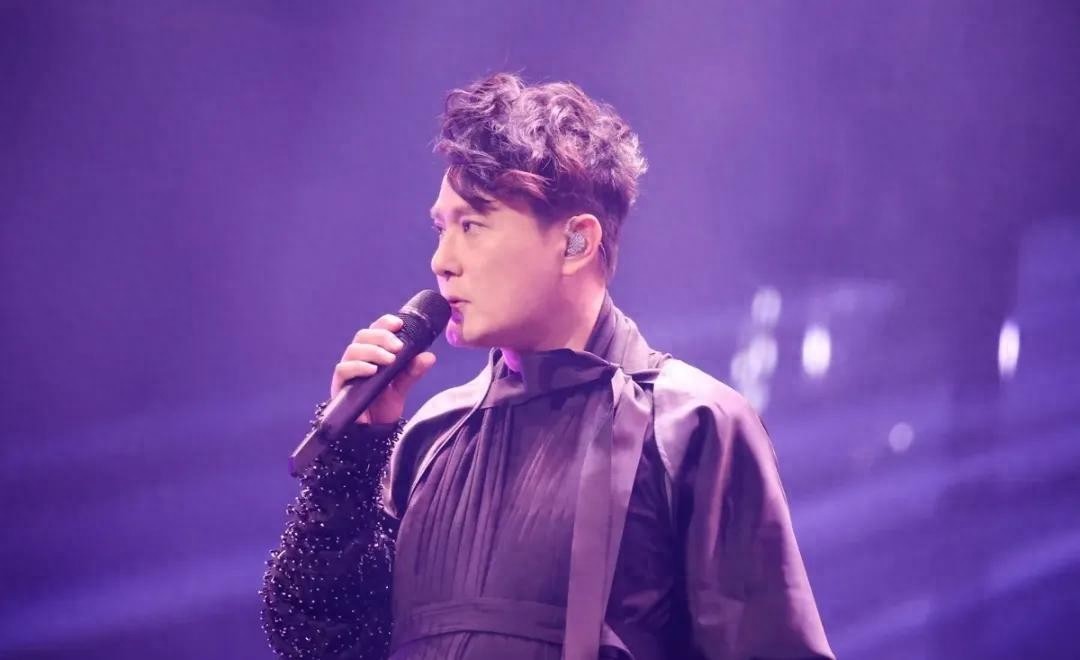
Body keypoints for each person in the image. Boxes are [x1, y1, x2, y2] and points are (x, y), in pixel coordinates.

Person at [261, 72, 833, 660]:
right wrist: (353, 454)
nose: (442, 260)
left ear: (576, 243)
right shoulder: (428, 436)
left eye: (472, 226)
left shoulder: (692, 425)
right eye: (440, 228)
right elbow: (322, 641)